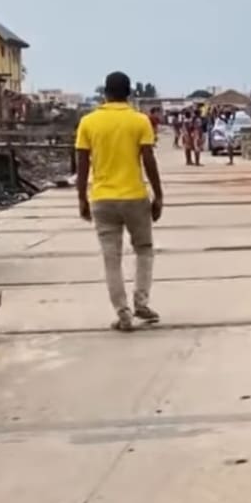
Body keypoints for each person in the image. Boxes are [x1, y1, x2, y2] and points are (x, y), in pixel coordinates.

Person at [75, 72, 164, 332]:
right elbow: (149, 160)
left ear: (105, 92)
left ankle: (122, 312)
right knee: (144, 250)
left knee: (111, 258)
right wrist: (159, 195)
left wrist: (81, 197)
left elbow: (82, 164)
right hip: (135, 197)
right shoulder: (140, 121)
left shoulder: (88, 122)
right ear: (129, 94)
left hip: (102, 199)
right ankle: (141, 302)